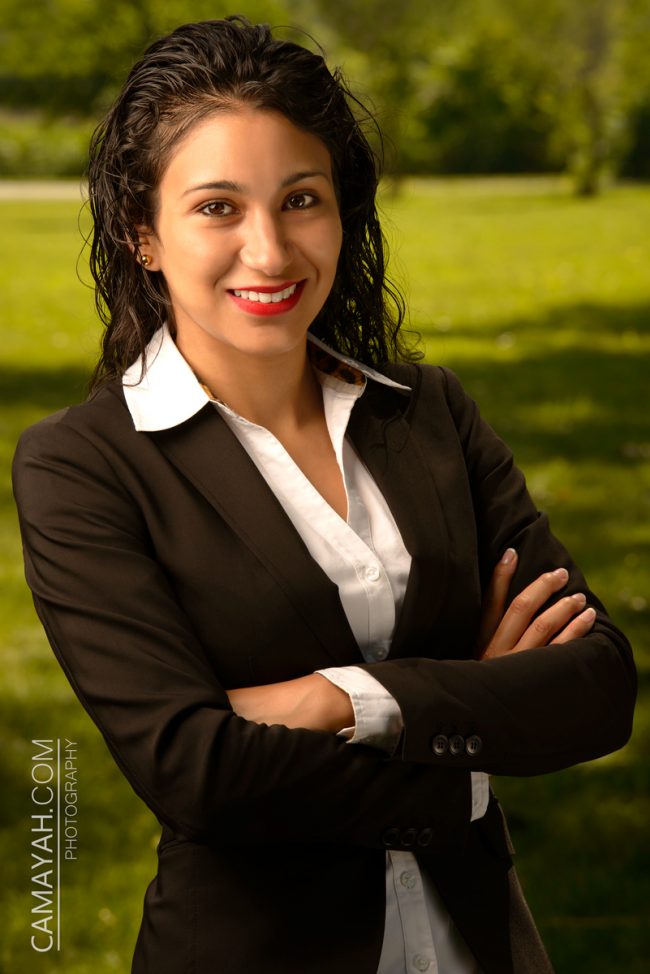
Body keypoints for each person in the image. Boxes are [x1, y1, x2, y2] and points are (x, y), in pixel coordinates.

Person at [12, 16, 635, 974]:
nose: (269, 252)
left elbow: (597, 687)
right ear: (143, 233)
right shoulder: (83, 465)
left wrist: (332, 698)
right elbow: (196, 773)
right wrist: (467, 744)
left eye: (300, 199)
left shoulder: (429, 413)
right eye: (217, 208)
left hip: (484, 945)